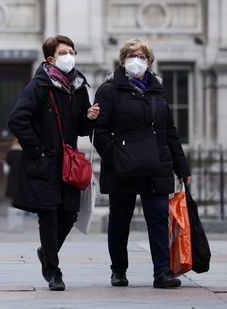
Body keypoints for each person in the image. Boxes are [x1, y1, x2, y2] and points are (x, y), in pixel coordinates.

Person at [93, 38, 191, 289]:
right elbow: (100, 132)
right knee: (119, 221)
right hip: (122, 168)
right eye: (131, 56)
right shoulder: (109, 90)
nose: (136, 61)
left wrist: (182, 167)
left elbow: (169, 131)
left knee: (158, 219)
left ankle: (162, 272)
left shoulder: (158, 90)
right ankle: (118, 270)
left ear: (149, 62)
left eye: (142, 57)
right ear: (123, 60)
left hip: (156, 165)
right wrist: (115, 157)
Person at [7, 35, 100, 291]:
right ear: (51, 58)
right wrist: (37, 150)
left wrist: (90, 118)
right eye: (64, 52)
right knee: (48, 216)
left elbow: (82, 128)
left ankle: (46, 252)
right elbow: (17, 120)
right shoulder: (38, 86)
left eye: (72, 51)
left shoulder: (79, 87)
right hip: (44, 163)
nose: (70, 56)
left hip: (68, 164)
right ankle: (53, 271)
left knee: (69, 214)